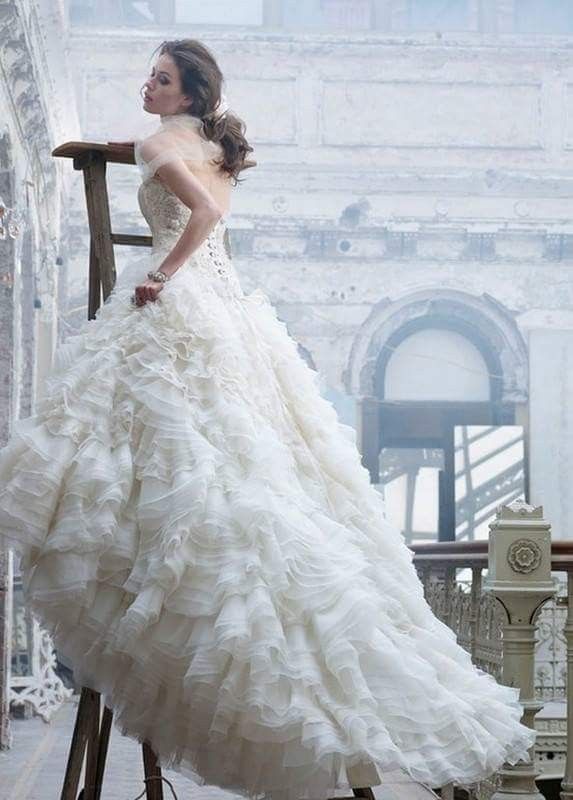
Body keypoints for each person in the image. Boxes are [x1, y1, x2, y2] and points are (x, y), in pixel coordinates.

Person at [0, 38, 536, 800]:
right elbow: (182, 168)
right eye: (147, 76)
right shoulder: (203, 138)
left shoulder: (164, 141)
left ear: (186, 93)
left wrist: (160, 271)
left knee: (160, 460)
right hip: (230, 314)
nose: (146, 85)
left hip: (181, 303)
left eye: (160, 79)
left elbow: (205, 210)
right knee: (243, 460)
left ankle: (148, 592)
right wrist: (114, 148)